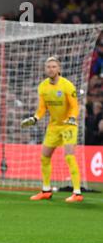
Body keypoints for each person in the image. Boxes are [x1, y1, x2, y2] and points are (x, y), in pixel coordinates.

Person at [21, 56, 83, 202]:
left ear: (59, 69)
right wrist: (35, 118)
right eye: (49, 67)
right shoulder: (43, 87)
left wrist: (73, 118)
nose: (51, 69)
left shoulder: (67, 85)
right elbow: (42, 108)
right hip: (53, 126)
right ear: (45, 69)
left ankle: (77, 192)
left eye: (54, 67)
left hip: (69, 125)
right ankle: (46, 190)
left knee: (69, 155)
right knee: (44, 156)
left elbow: (74, 106)